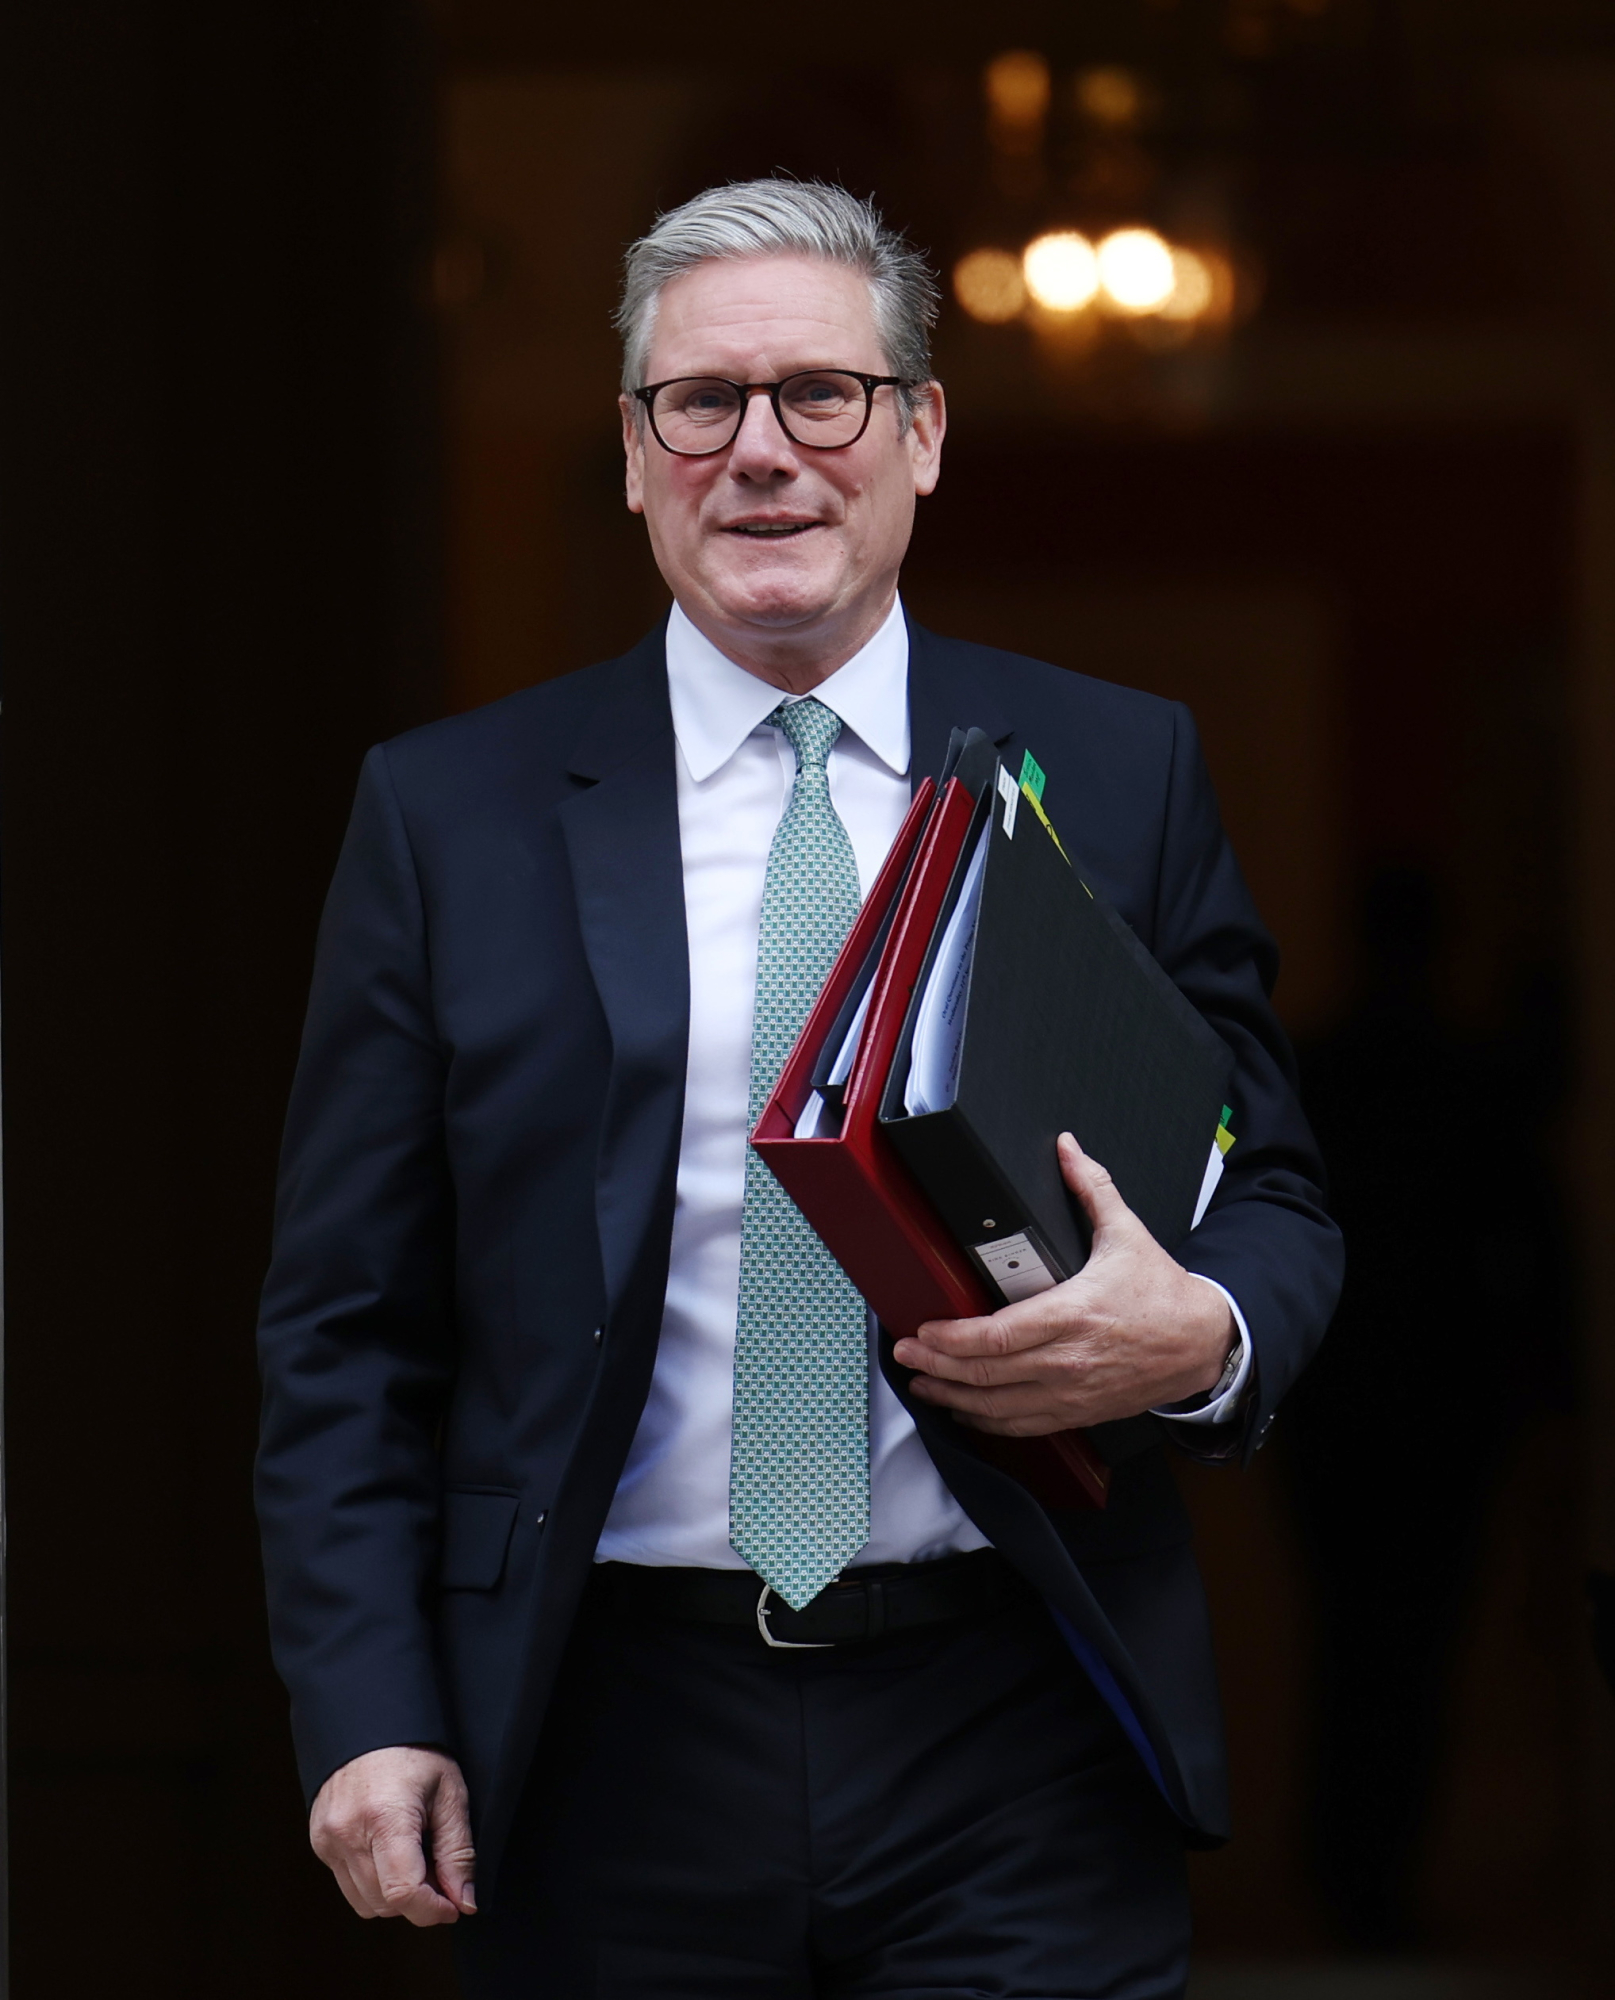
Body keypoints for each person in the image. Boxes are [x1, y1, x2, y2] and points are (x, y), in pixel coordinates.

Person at [255, 180, 1343, 1999]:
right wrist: (369, 1709)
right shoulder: (450, 819)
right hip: (604, 1731)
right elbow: (347, 1324)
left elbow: (1279, 1199)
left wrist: (1206, 1330)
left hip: (1015, 1716)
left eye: (823, 396)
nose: (763, 452)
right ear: (632, 450)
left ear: (921, 434)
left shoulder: (1118, 767)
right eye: (704, 403)